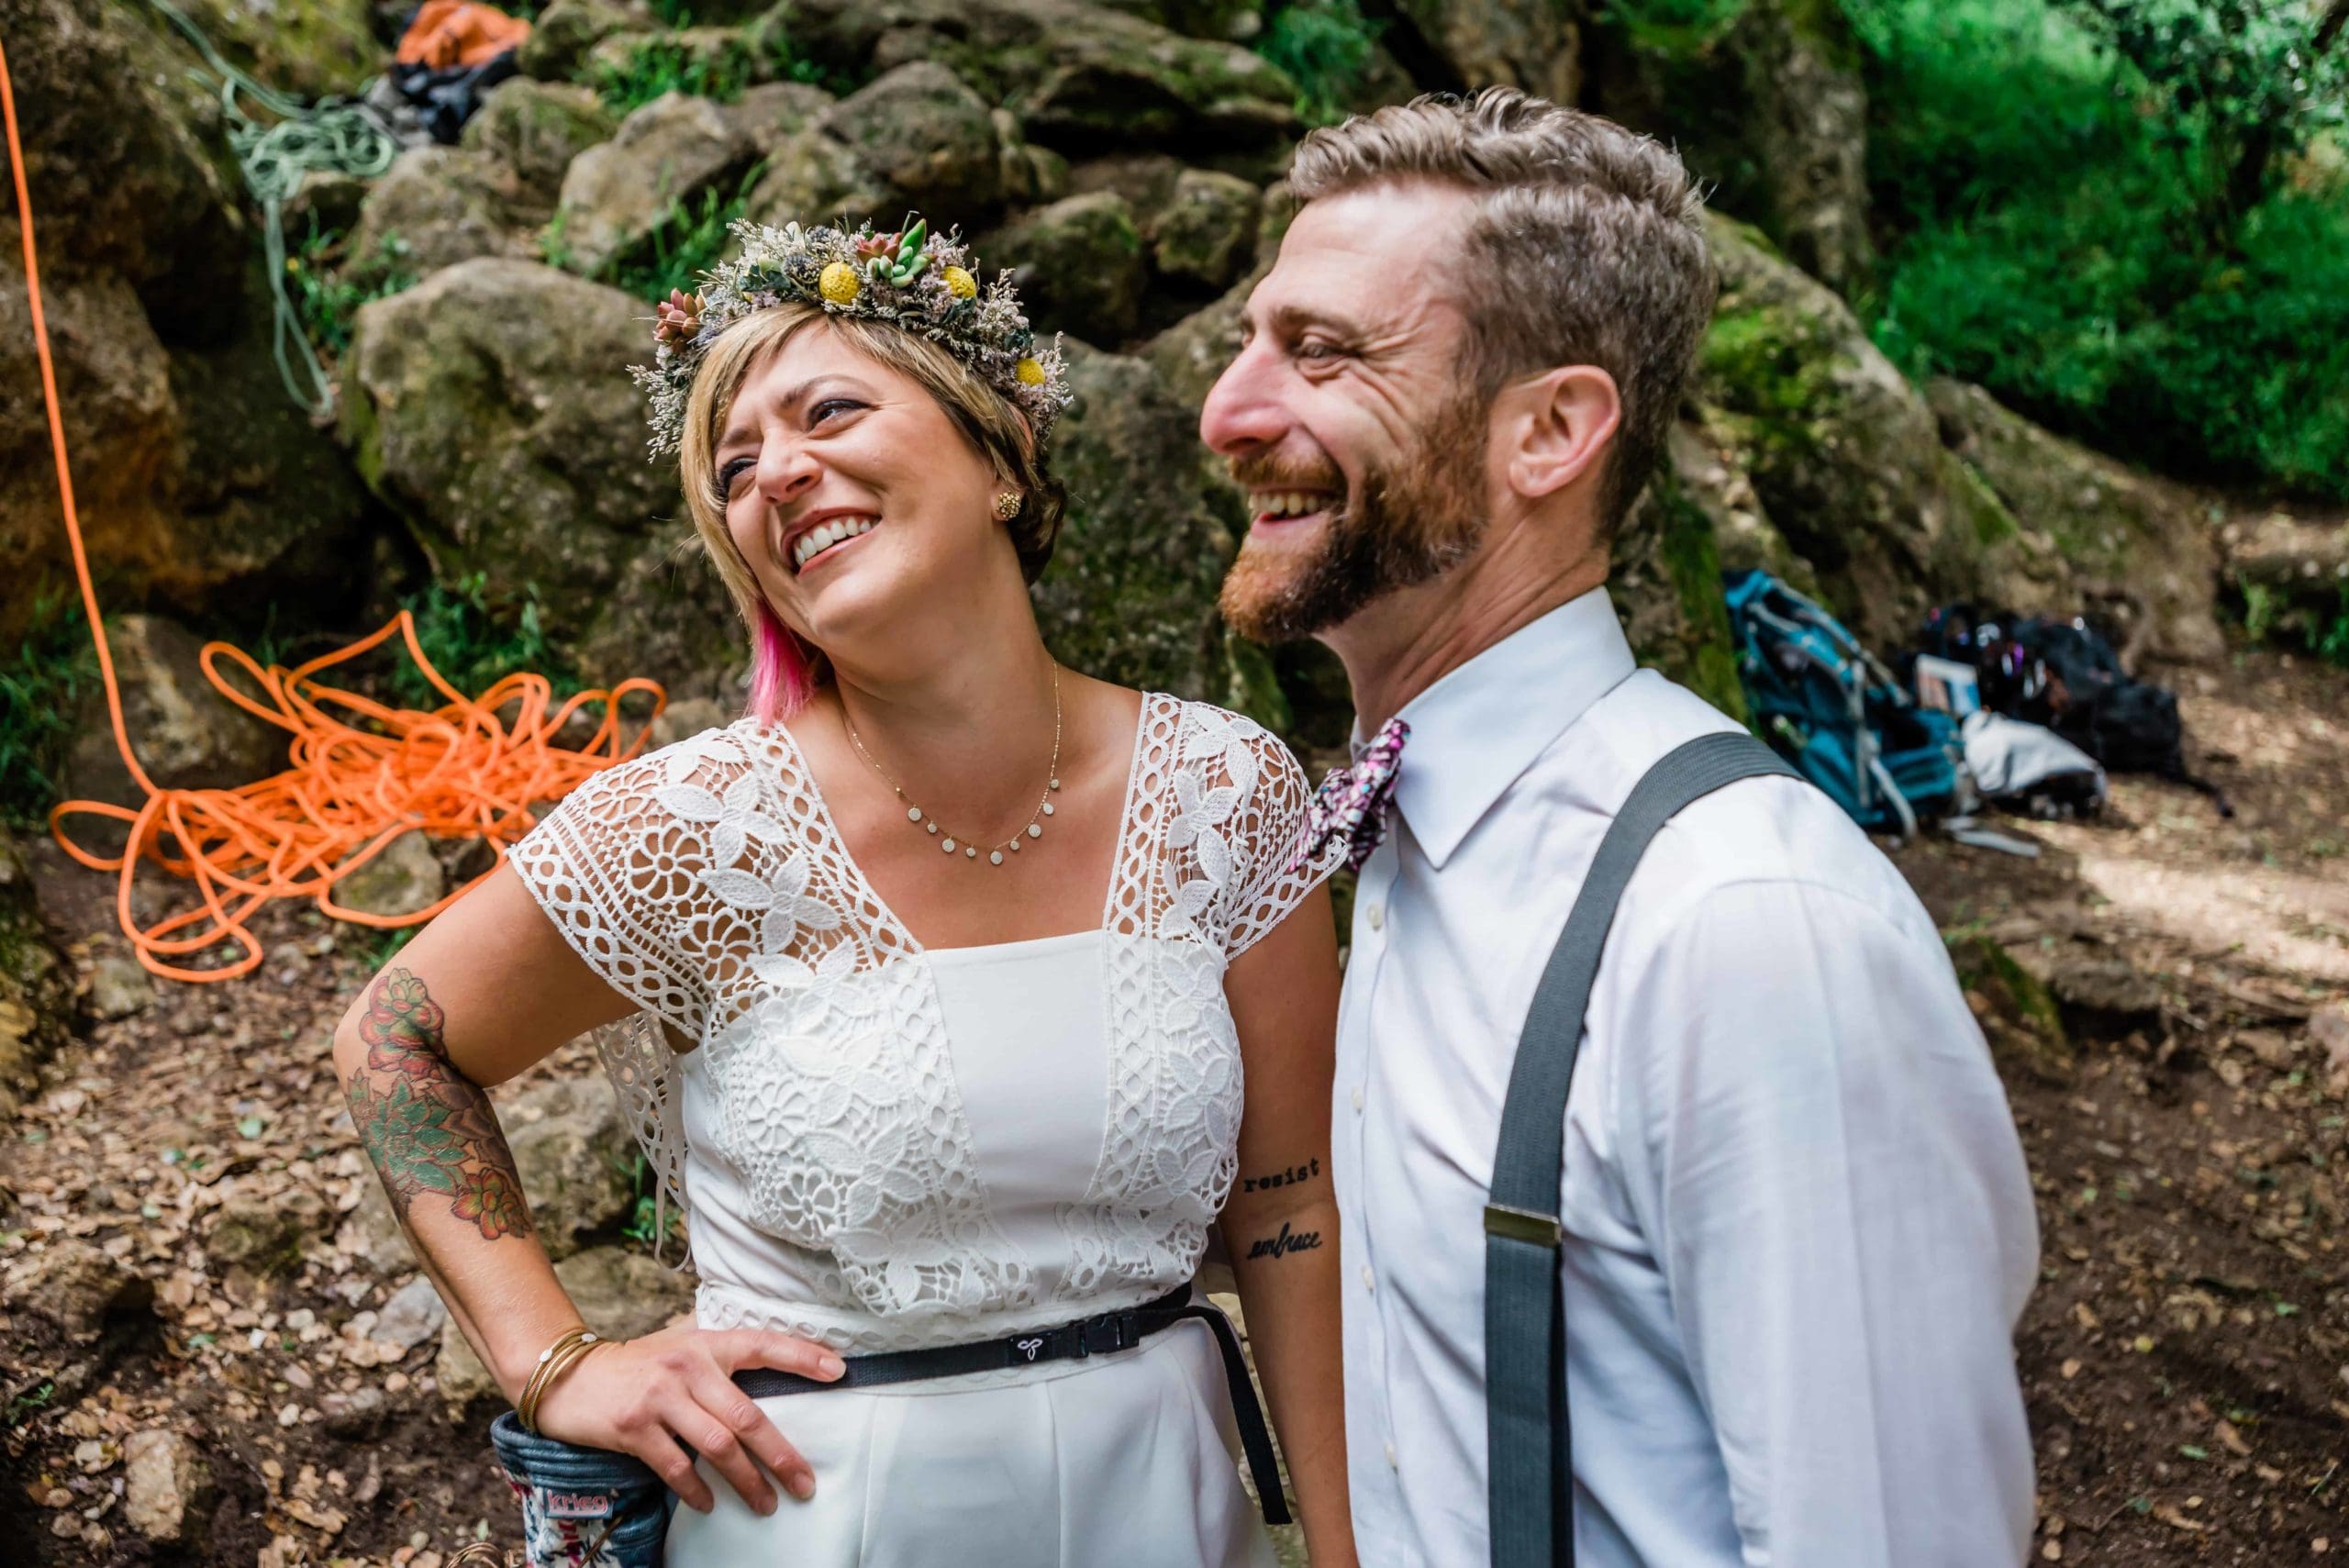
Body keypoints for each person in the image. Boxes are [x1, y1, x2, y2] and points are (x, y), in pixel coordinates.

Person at [332, 215, 1356, 1566]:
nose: (780, 473)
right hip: (825, 1521)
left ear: (999, 455)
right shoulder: (690, 827)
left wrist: (1343, 1549)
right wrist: (553, 1356)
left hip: (1166, 1504)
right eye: (735, 467)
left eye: (829, 410)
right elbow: (393, 1036)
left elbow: (1288, 1210)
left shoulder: (1230, 789)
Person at [1200, 89, 2040, 1566]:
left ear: (1552, 431)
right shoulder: (1408, 842)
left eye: (1322, 354)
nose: (1228, 412)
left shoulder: (1744, 923)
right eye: (1251, 342)